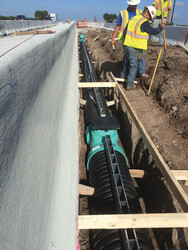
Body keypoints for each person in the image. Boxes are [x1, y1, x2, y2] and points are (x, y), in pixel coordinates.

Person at [123, 6, 165, 90]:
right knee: (134, 65)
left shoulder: (134, 18)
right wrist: (161, 27)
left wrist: (127, 41)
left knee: (127, 63)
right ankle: (130, 84)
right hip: (134, 46)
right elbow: (153, 31)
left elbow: (125, 31)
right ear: (148, 14)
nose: (149, 19)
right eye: (150, 17)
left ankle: (122, 77)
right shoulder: (144, 21)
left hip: (127, 44)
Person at [111, 0, 149, 79]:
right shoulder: (123, 13)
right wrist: (113, 39)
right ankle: (125, 74)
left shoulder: (140, 12)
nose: (134, 6)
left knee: (142, 55)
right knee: (127, 57)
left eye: (135, 5)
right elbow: (118, 26)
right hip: (127, 39)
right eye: (133, 5)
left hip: (138, 39)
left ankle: (141, 72)